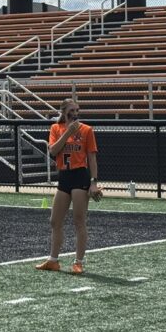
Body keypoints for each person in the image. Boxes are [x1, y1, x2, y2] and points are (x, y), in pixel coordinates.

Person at [36, 99, 102, 274]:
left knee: (79, 220)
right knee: (55, 220)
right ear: (64, 112)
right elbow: (53, 151)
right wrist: (67, 133)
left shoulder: (86, 130)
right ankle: (53, 260)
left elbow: (92, 158)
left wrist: (94, 182)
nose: (75, 113)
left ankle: (78, 262)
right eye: (72, 110)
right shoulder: (55, 128)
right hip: (64, 176)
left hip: (79, 176)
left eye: (77, 110)